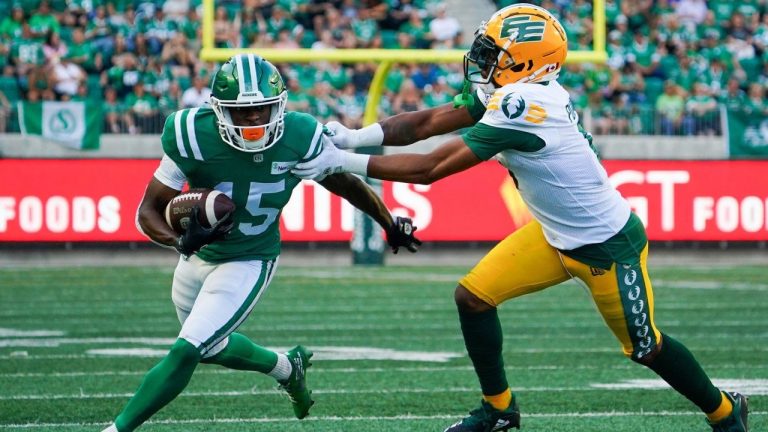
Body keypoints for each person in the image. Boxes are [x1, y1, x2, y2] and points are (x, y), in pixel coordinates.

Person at [292, 4, 749, 432]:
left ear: (528, 64)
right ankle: (499, 409)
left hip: (607, 247)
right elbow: (429, 121)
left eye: (494, 54)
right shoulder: (514, 91)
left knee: (644, 347)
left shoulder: (525, 105)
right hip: (554, 237)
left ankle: (727, 412)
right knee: (473, 298)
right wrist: (353, 137)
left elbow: (431, 168)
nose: (481, 60)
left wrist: (340, 162)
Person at [101, 53, 421, 432]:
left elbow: (345, 183)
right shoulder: (190, 133)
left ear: (280, 106)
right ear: (219, 110)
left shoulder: (300, 134)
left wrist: (387, 222)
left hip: (250, 258)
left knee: (186, 349)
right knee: (210, 348)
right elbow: (148, 211)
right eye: (243, 112)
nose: (254, 120)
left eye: (263, 109)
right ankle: (288, 367)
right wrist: (180, 241)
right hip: (198, 257)